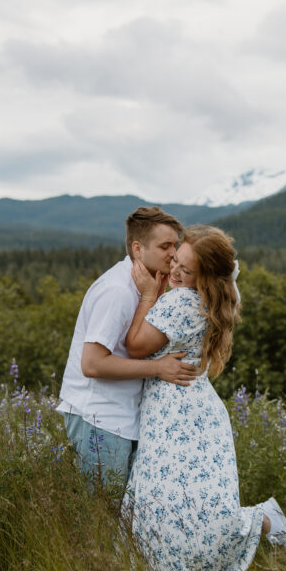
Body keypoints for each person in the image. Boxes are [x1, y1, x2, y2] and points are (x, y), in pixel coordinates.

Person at [121, 225, 286, 571]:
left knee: (162, 516)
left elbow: (135, 346)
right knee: (198, 512)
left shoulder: (179, 302)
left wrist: (149, 294)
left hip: (177, 418)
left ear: (205, 277)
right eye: (175, 262)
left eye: (186, 269)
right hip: (195, 415)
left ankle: (263, 520)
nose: (175, 273)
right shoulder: (208, 300)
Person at [56, 206, 198, 489]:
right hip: (99, 418)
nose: (173, 254)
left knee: (118, 514)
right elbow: (92, 364)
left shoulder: (146, 285)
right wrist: (159, 368)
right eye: (164, 246)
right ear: (137, 248)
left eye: (175, 245)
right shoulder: (118, 291)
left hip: (118, 418)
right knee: (101, 515)